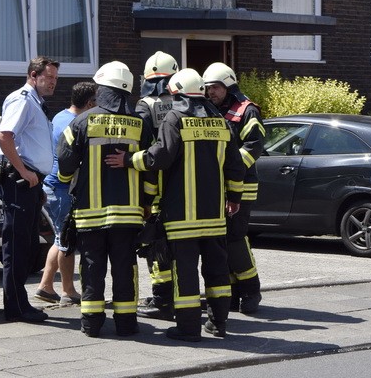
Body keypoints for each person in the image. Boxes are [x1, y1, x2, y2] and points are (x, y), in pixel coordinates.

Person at [105, 68, 244, 342]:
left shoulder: (174, 119)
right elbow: (236, 167)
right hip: (215, 217)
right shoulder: (221, 122)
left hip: (182, 219)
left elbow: (161, 157)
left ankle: (188, 328)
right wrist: (234, 198)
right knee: (217, 272)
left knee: (186, 274)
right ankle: (218, 325)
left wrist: (130, 160)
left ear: (176, 93)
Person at [57, 62, 150, 338]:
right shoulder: (140, 124)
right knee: (125, 268)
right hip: (129, 214)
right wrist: (147, 203)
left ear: (103, 89)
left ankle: (92, 324)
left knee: (92, 268)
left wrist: (66, 182)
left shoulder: (82, 121)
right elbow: (151, 167)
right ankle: (126, 324)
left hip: (90, 213)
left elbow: (64, 161)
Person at [0, 56, 59, 323]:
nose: (53, 83)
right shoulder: (22, 99)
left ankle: (20, 303)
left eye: (56, 78)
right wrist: (23, 171)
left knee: (30, 245)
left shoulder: (35, 102)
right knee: (18, 246)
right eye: (49, 77)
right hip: (18, 181)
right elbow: (4, 136)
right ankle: (15, 308)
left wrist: (37, 183)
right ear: (34, 75)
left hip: (30, 184)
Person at [203, 62, 266, 315]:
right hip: (218, 187)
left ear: (228, 85)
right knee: (221, 241)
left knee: (235, 240)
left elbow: (255, 145)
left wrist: (232, 169)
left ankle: (251, 290)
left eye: (215, 87)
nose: (211, 92)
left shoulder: (247, 110)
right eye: (207, 88)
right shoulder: (210, 110)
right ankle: (229, 294)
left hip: (242, 186)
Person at [35, 81, 96, 306]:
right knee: (67, 239)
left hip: (52, 186)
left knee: (60, 238)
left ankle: (45, 286)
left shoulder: (60, 116)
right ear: (90, 103)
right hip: (61, 187)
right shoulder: (76, 123)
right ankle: (68, 291)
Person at [134, 50, 180, 321]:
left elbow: (142, 145)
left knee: (156, 244)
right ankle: (174, 295)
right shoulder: (184, 103)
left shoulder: (144, 105)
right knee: (176, 245)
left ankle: (162, 300)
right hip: (182, 184)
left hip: (153, 183)